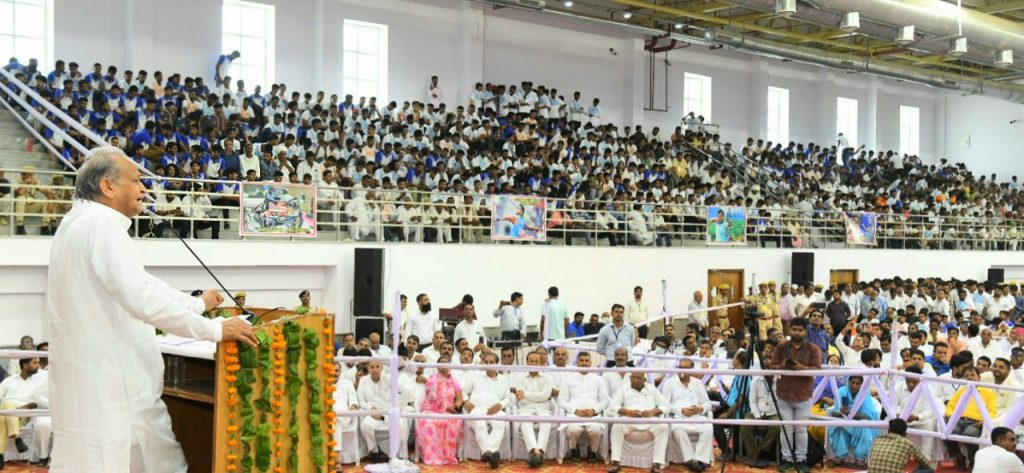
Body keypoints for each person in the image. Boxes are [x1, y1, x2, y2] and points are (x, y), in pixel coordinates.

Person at [45, 147, 257, 473]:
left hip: (115, 385)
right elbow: (139, 296)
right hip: (109, 386)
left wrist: (196, 304)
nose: (144, 189)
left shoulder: (79, 222)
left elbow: (141, 283)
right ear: (108, 186)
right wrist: (213, 330)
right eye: (137, 180)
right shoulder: (101, 223)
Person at [769, 317, 822, 473]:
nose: (797, 332)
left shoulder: (814, 349)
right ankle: (786, 459)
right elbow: (772, 367)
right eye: (794, 329)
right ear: (789, 330)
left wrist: (801, 368)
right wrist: (782, 366)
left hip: (803, 394)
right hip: (784, 393)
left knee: (800, 429)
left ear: (805, 331)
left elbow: (817, 369)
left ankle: (801, 459)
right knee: (786, 428)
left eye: (800, 330)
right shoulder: (780, 348)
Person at [607, 371, 669, 473]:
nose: (636, 380)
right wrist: (628, 412)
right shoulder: (624, 389)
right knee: (617, 426)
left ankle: (656, 465)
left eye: (639, 378)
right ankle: (616, 463)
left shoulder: (652, 389)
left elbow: (666, 406)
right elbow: (612, 406)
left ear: (644, 380)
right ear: (630, 378)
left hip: (649, 420)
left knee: (663, 427)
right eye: (634, 377)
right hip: (629, 419)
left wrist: (653, 411)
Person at [662, 358, 713, 472]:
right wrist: (681, 410)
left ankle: (701, 459)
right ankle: (690, 459)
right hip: (679, 417)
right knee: (677, 430)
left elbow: (707, 403)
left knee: (708, 428)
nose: (683, 371)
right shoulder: (670, 383)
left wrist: (700, 408)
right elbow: (665, 404)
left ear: (691, 369)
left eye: (686, 368)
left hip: (697, 416)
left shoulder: (697, 383)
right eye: (681, 368)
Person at [463, 352, 512, 470]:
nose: (488, 364)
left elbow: (508, 398)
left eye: (492, 362)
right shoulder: (475, 376)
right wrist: (466, 401)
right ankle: (490, 452)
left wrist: (499, 405)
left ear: (497, 364)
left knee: (500, 424)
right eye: (486, 362)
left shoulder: (504, 379)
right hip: (477, 408)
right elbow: (464, 391)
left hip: (494, 409)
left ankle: (488, 452)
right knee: (480, 424)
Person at [944, 365, 996, 470]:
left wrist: (983, 421)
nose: (970, 377)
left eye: (973, 374)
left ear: (979, 377)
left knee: (969, 436)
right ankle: (958, 456)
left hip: (975, 422)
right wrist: (951, 416)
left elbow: (992, 412)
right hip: (958, 420)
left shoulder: (988, 392)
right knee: (947, 433)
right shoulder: (961, 391)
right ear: (964, 378)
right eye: (967, 376)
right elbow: (950, 406)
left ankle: (974, 461)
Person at [358, 359, 411, 461]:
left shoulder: (389, 379)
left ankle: (393, 454)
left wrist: (396, 406)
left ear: (382, 368)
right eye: (372, 367)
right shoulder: (363, 381)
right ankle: (374, 451)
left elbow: (407, 392)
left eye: (377, 367)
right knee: (365, 426)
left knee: (399, 425)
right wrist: (371, 409)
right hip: (372, 413)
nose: (375, 370)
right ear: (368, 369)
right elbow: (361, 401)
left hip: (389, 412)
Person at [560, 351, 608, 463]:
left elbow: (605, 400)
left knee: (596, 430)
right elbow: (561, 401)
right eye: (581, 360)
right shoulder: (568, 379)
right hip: (574, 414)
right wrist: (575, 411)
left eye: (586, 361)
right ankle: (574, 448)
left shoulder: (598, 379)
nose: (584, 363)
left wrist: (594, 410)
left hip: (593, 415)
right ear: (577, 362)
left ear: (590, 362)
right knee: (572, 430)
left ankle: (592, 450)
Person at [416, 354, 464, 466]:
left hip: (450, 410)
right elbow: (432, 398)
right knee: (428, 422)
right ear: (437, 366)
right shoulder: (431, 380)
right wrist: (446, 407)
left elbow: (459, 398)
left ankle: (448, 457)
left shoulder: (454, 381)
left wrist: (457, 404)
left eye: (446, 362)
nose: (443, 364)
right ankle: (431, 456)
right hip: (432, 409)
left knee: (453, 422)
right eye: (441, 362)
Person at [826, 375, 881, 467]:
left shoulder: (864, 393)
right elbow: (834, 413)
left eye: (857, 384)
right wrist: (842, 413)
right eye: (852, 382)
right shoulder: (841, 392)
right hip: (845, 421)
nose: (854, 386)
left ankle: (860, 458)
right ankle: (840, 456)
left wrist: (851, 414)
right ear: (848, 382)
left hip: (860, 422)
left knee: (865, 426)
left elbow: (867, 416)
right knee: (841, 424)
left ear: (861, 385)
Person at [516, 351, 558, 467]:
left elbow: (546, 396)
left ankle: (538, 452)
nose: (534, 364)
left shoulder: (547, 377)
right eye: (531, 361)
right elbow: (521, 399)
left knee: (546, 423)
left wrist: (526, 394)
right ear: (527, 362)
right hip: (525, 409)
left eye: (536, 361)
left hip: (543, 410)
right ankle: (536, 451)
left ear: (541, 363)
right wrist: (538, 396)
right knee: (525, 422)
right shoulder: (520, 378)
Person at [0, 358, 41, 468]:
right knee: (8, 405)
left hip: (23, 414)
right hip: (5, 411)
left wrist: (19, 411)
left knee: (5, 416)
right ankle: (17, 438)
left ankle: (0, 454)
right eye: (35, 363)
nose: (38, 365)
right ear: (25, 365)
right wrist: (13, 412)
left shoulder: (36, 384)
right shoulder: (9, 380)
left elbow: (35, 403)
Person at [865, 418, 934, 473]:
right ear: (905, 433)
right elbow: (927, 464)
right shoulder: (908, 443)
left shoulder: (878, 439)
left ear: (889, 430)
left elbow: (871, 460)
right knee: (928, 470)